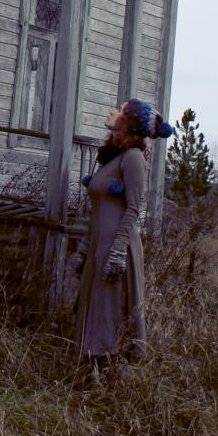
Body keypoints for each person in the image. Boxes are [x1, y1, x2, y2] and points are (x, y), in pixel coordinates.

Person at [73, 98, 174, 367]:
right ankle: (92, 369)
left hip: (116, 248)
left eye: (121, 110)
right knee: (97, 307)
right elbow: (97, 210)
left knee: (110, 309)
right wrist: (85, 248)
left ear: (128, 124)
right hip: (99, 246)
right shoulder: (113, 158)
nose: (114, 111)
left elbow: (133, 208)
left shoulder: (133, 158)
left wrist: (117, 251)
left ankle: (110, 369)